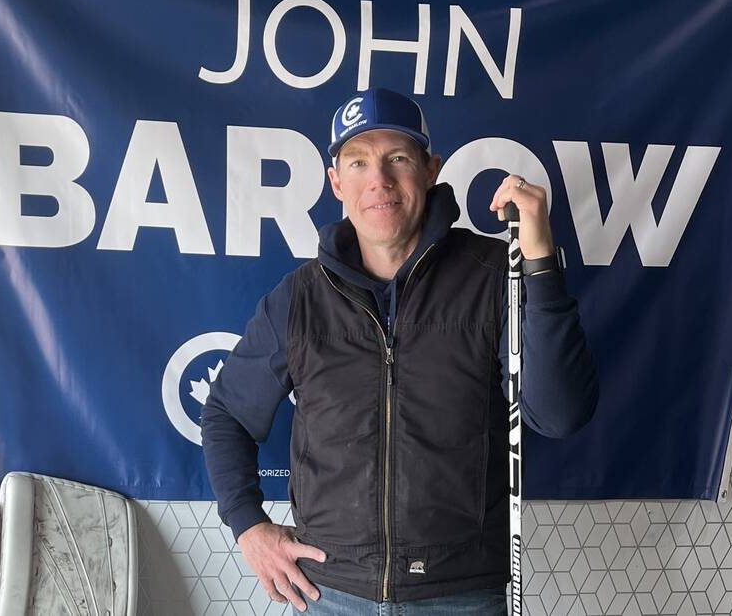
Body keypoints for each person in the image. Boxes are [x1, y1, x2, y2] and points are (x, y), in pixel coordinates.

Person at [201, 87, 599, 614]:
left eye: (397, 159)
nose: (379, 182)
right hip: (331, 593)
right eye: (359, 162)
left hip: (460, 595)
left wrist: (541, 263)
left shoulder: (493, 275)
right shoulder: (299, 298)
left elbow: (559, 414)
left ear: (431, 169)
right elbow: (226, 412)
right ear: (336, 181)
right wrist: (249, 526)